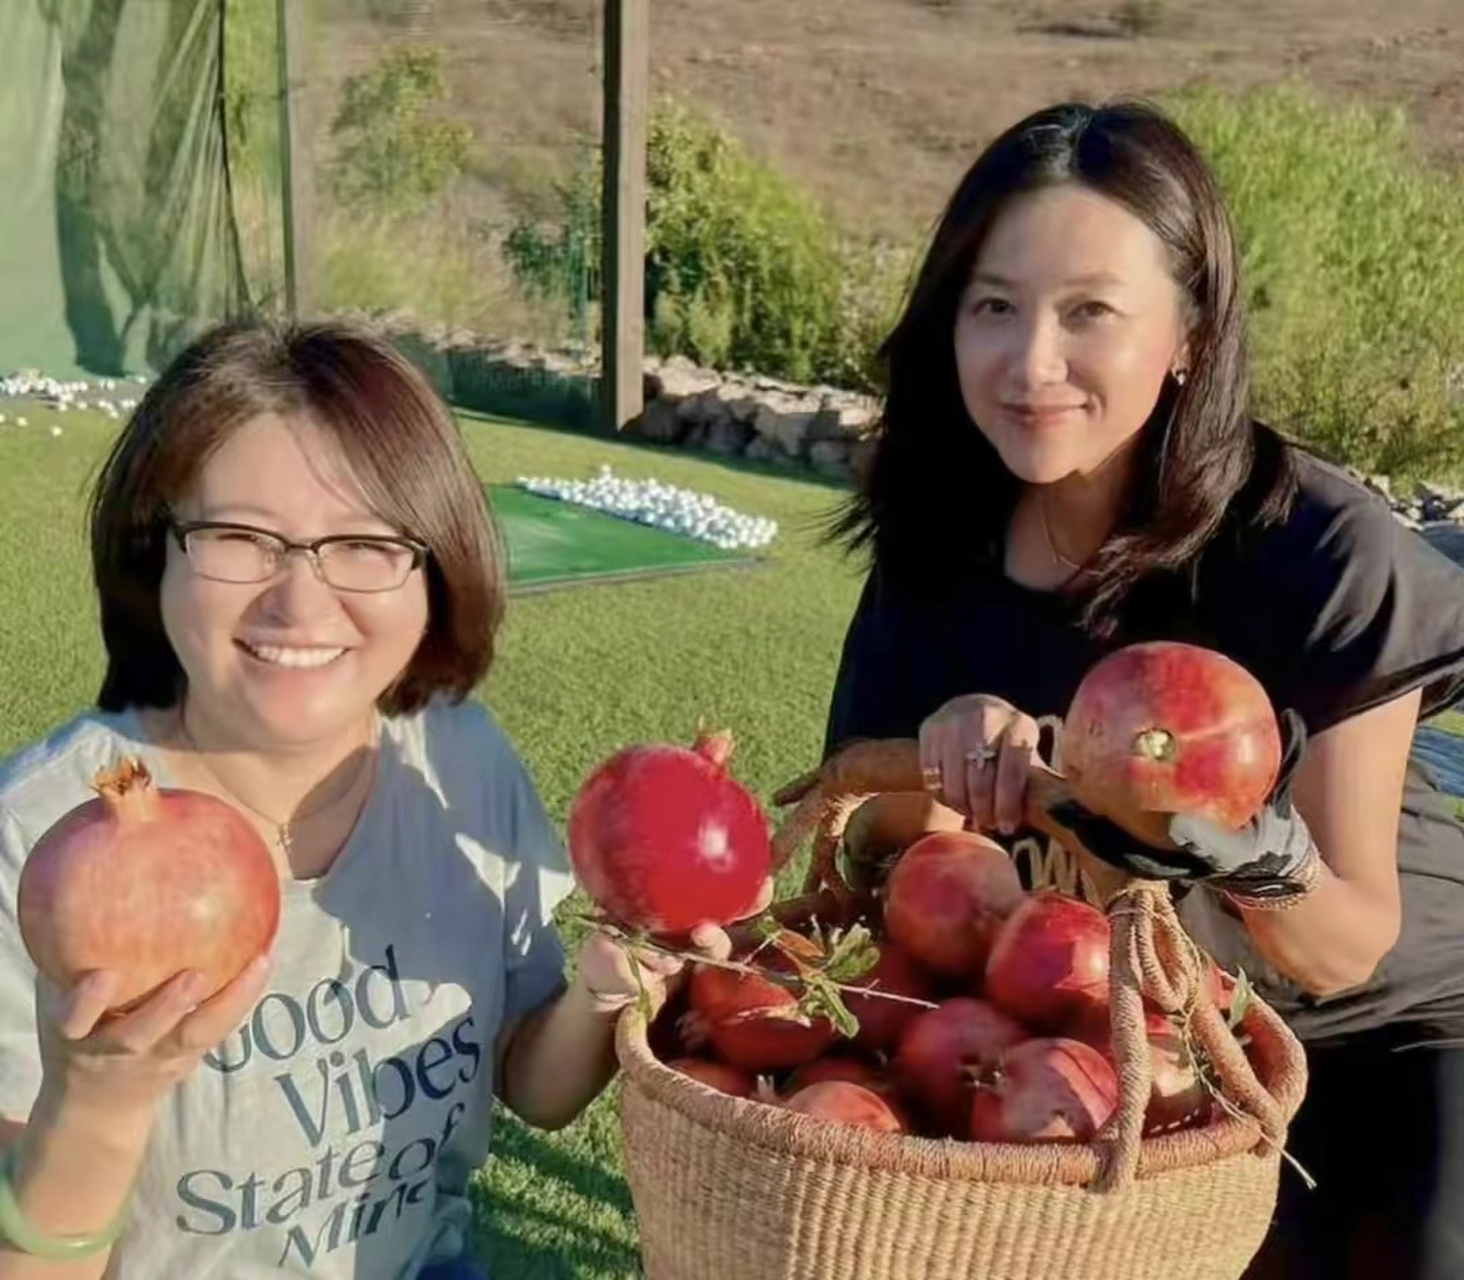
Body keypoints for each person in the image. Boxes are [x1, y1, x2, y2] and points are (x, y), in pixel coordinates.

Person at [817, 99, 1464, 1279]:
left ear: (1189, 337)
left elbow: (1349, 941)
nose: (1031, 365)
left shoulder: (1319, 550)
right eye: (993, 306)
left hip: (1381, 1027)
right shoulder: (934, 549)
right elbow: (862, 858)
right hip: (1118, 1031)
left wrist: (1256, 856)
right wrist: (937, 768)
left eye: (1089, 314)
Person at [0, 319, 762, 1279]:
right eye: (239, 537)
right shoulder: (39, 846)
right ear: (157, 551)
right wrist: (99, 1102)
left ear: (433, 570)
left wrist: (606, 993)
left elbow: (527, 1084)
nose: (300, 605)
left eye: (364, 544)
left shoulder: (456, 760)